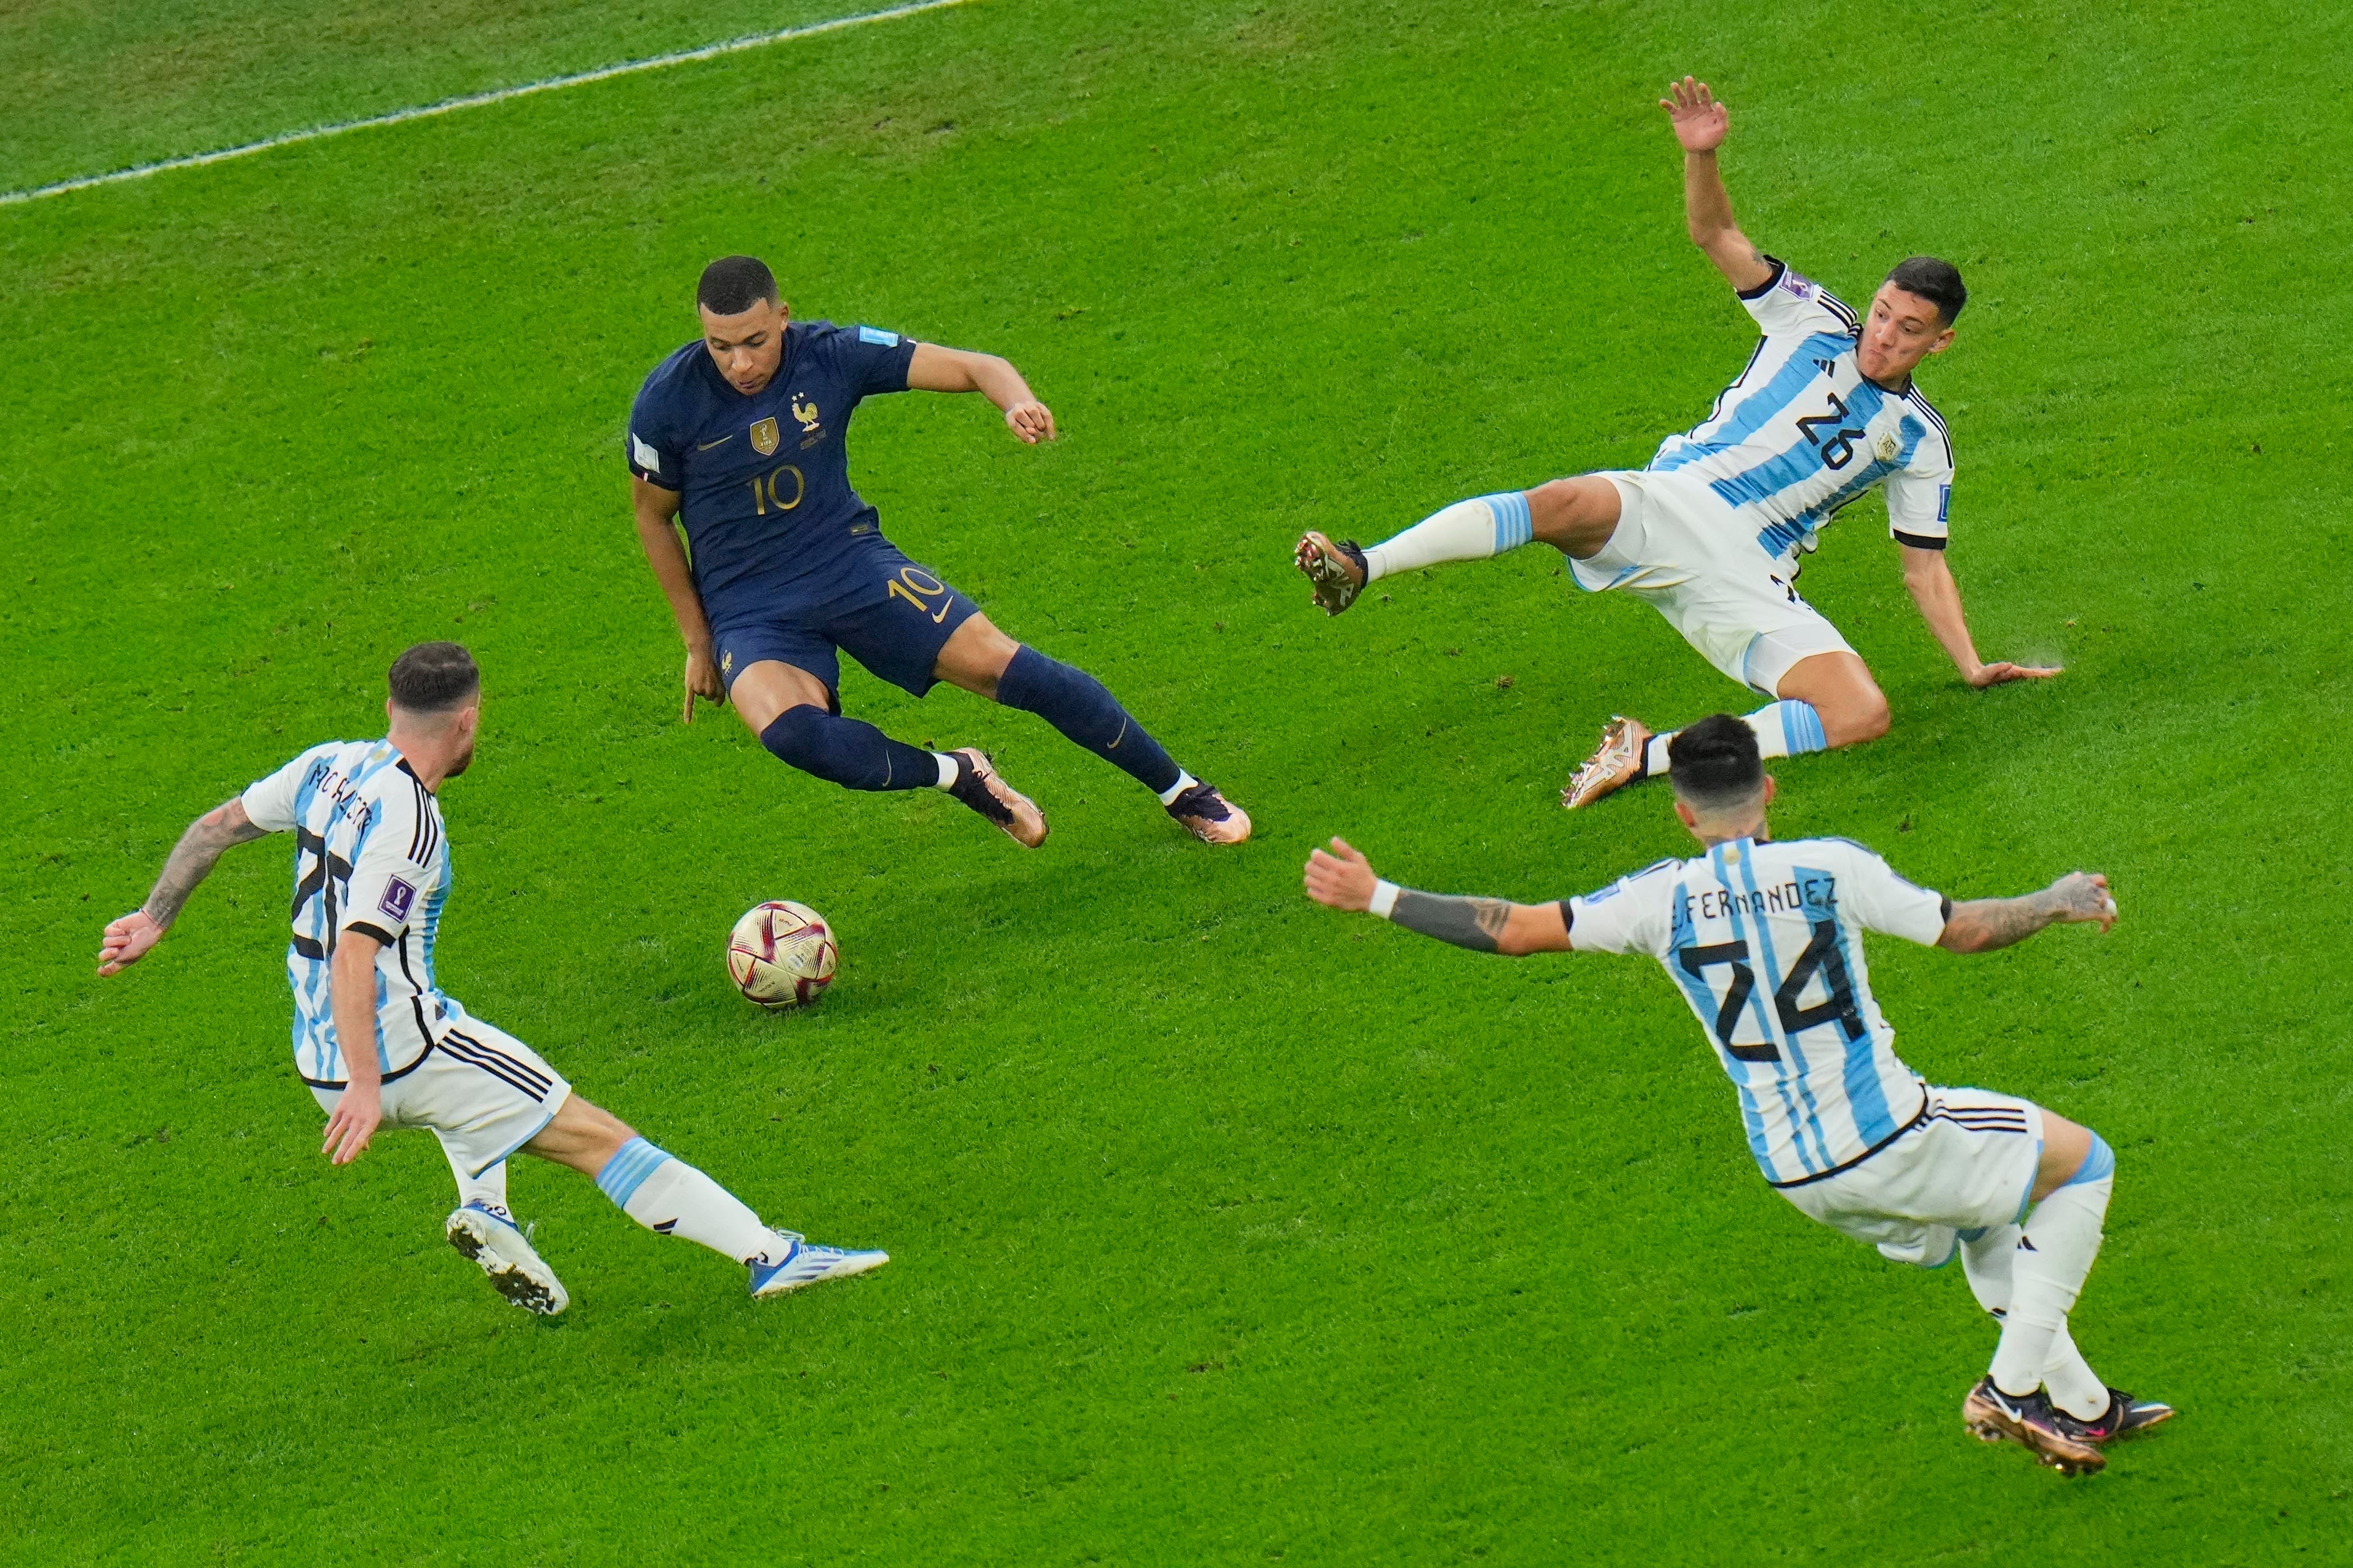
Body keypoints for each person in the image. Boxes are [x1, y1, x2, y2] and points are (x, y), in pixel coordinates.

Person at [1300, 714, 2172, 1474]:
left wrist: (1376, 895)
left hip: (1795, 1173)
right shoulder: (1831, 867)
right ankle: (2009, 1388)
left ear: (1681, 814)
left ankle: (2085, 1405)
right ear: (1771, 789)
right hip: (1889, 1133)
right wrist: (2054, 901)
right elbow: (1966, 930)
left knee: (1986, 1223)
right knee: (2081, 1163)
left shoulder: (1656, 898)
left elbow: (1518, 929)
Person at [1294, 77, 2055, 811]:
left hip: (1748, 574)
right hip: (1675, 500)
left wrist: (1970, 663)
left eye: (1908, 330)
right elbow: (1713, 233)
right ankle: (1364, 565)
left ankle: (1644, 752)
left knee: (1858, 713)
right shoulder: (1813, 318)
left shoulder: (1920, 440)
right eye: (1884, 313)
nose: (1883, 336)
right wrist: (1701, 153)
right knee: (1561, 502)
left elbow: (1923, 566)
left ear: (1940, 342)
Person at [95, 642, 886, 1316]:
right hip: (396, 1050)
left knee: (474, 1077)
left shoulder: (328, 765)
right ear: (467, 720)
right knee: (592, 1134)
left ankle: (487, 1210)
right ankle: (771, 1255)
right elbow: (354, 955)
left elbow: (216, 827)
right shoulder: (410, 821)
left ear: (390, 706)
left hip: (319, 1059)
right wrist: (372, 1087)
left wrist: (154, 915)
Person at [627, 254, 1248, 848]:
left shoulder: (831, 354)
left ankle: (1182, 791)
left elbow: (980, 366)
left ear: (783, 315)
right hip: (751, 609)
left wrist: (1017, 401)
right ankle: (957, 775)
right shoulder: (667, 402)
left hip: (849, 566)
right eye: (721, 346)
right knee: (794, 737)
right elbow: (653, 519)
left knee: (1009, 668)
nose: (739, 363)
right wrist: (697, 641)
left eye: (755, 342)